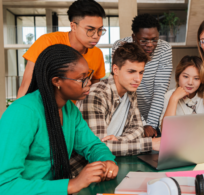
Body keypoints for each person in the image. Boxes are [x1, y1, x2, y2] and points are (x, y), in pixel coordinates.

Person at [0, 45, 118, 195]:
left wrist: (107, 160)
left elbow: (93, 145)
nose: (89, 82)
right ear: (57, 81)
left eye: (88, 75)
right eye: (82, 79)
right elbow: (4, 186)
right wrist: (71, 185)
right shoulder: (22, 113)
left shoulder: (70, 109)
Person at [70, 43, 161, 176]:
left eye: (141, 72)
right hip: (81, 172)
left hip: (112, 166)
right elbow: (98, 149)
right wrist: (150, 144)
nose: (138, 79)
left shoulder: (130, 90)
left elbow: (138, 129)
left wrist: (119, 140)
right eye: (131, 71)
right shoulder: (96, 96)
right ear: (116, 69)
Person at [17, 0, 107, 98]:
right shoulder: (47, 42)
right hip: (44, 108)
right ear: (73, 26)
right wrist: (18, 112)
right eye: (90, 30)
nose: (96, 35)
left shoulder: (97, 53)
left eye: (100, 30)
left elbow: (93, 90)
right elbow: (26, 85)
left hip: (75, 111)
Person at [112, 14, 172, 138]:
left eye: (154, 39)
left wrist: (150, 124)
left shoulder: (164, 49)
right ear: (134, 37)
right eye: (144, 40)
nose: (150, 44)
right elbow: (123, 88)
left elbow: (160, 90)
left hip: (154, 113)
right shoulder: (121, 46)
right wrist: (142, 124)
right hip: (128, 113)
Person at [160, 55, 204, 130]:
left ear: (202, 80)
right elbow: (166, 131)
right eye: (186, 76)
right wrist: (174, 99)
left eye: (196, 78)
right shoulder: (169, 96)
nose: (190, 82)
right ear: (178, 76)